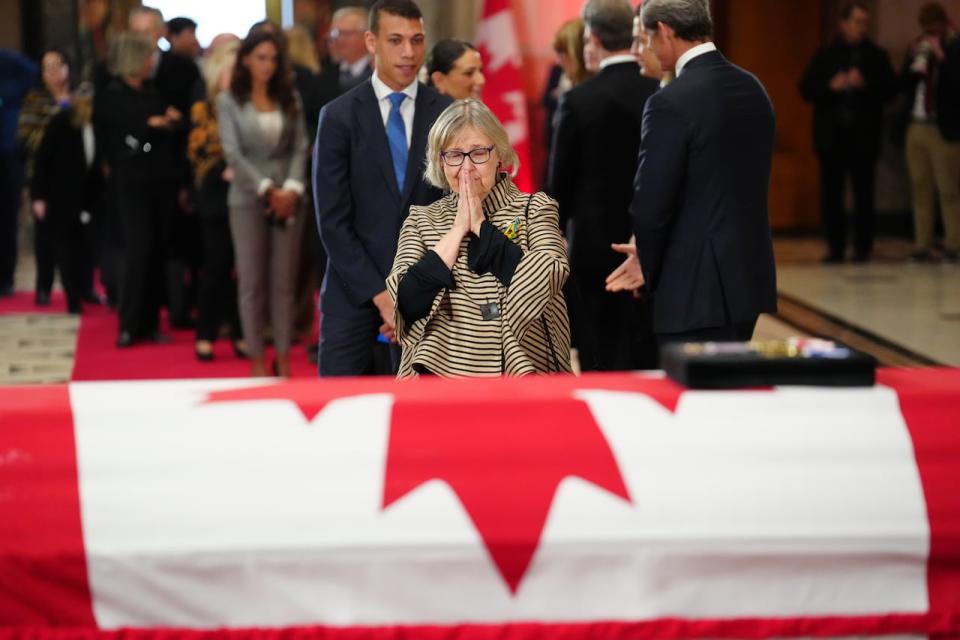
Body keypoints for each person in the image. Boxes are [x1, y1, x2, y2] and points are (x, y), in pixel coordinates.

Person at [609, 0, 777, 345]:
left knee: (694, 395)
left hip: (692, 287)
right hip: (748, 278)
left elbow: (651, 204)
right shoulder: (754, 87)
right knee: (733, 391)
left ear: (666, 32)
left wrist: (647, 261)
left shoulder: (670, 101)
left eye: (648, 39)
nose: (649, 50)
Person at [313, 0, 452, 376]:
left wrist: (416, 293)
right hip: (352, 293)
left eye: (417, 39)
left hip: (431, 299)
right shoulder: (339, 116)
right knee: (340, 417)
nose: (409, 52)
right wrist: (382, 297)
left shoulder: (448, 113)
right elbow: (332, 220)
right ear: (372, 42)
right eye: (396, 40)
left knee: (426, 426)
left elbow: (455, 212)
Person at [387, 99, 571, 377]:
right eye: (454, 155)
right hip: (438, 378)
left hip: (522, 371)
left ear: (500, 155)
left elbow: (547, 278)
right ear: (441, 161)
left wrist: (482, 228)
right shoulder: (421, 219)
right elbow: (408, 301)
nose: (467, 167)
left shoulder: (535, 208)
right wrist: (458, 229)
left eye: (478, 153)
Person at [548, 0, 659, 371]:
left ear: (591, 37)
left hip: (594, 252)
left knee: (599, 354)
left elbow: (559, 186)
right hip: (652, 247)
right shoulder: (659, 92)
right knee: (646, 353)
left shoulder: (577, 101)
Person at [218, 31, 308, 377]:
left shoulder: (290, 96)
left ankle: (283, 358)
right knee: (252, 283)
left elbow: (301, 146)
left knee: (284, 285)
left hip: (290, 199)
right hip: (247, 199)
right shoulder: (229, 100)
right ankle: (257, 358)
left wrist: (291, 190)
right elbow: (233, 152)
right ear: (245, 60)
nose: (267, 65)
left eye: (272, 58)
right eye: (260, 58)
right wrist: (268, 188)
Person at [95, 32, 181, 347]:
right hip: (130, 183)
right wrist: (149, 126)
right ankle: (129, 322)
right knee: (137, 250)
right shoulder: (112, 95)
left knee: (156, 250)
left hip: (158, 180)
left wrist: (165, 121)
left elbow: (160, 125)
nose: (151, 62)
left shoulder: (152, 91)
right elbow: (118, 138)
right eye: (146, 57)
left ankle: (149, 322)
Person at [799, 1, 896, 263]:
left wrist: (865, 84)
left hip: (863, 136)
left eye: (864, 22)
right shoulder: (827, 53)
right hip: (832, 137)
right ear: (843, 24)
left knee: (864, 193)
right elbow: (806, 88)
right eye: (856, 21)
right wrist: (831, 86)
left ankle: (863, 247)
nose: (861, 27)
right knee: (832, 194)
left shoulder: (876, 55)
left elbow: (890, 90)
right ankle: (836, 247)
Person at [187, 38, 245, 362]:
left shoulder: (248, 103)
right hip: (214, 196)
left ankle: (240, 332)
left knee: (244, 269)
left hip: (245, 193)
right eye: (233, 69)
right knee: (217, 265)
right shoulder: (203, 106)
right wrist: (226, 166)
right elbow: (197, 152)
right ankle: (206, 333)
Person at [28, 85, 102, 314]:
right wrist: (38, 196)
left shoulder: (100, 125)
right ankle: (72, 296)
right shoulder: (62, 122)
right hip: (60, 196)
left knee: (85, 247)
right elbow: (42, 159)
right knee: (66, 248)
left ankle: (85, 289)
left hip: (88, 198)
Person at [900, 2, 960, 263]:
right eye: (926, 30)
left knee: (948, 189)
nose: (930, 34)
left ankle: (953, 244)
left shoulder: (956, 47)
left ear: (943, 24)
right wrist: (913, 60)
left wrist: (942, 57)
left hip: (943, 128)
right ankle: (922, 244)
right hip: (917, 123)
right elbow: (902, 84)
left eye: (934, 29)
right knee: (919, 186)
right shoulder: (919, 46)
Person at [17, 47, 74, 306]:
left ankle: (80, 287)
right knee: (45, 235)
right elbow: (27, 137)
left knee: (78, 237)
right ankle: (44, 286)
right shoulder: (35, 99)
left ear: (67, 68)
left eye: (57, 65)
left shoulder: (80, 96)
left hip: (75, 176)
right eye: (46, 67)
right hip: (42, 176)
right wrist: (58, 120)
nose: (52, 72)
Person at [0, 49, 37, 298]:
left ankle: (5, 277)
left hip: (7, 153)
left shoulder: (10, 65)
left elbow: (34, 74)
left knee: (5, 217)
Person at [327, 6, 373, 93]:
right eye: (336, 33)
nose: (339, 39)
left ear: (366, 37)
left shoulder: (378, 75)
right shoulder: (326, 76)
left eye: (347, 34)